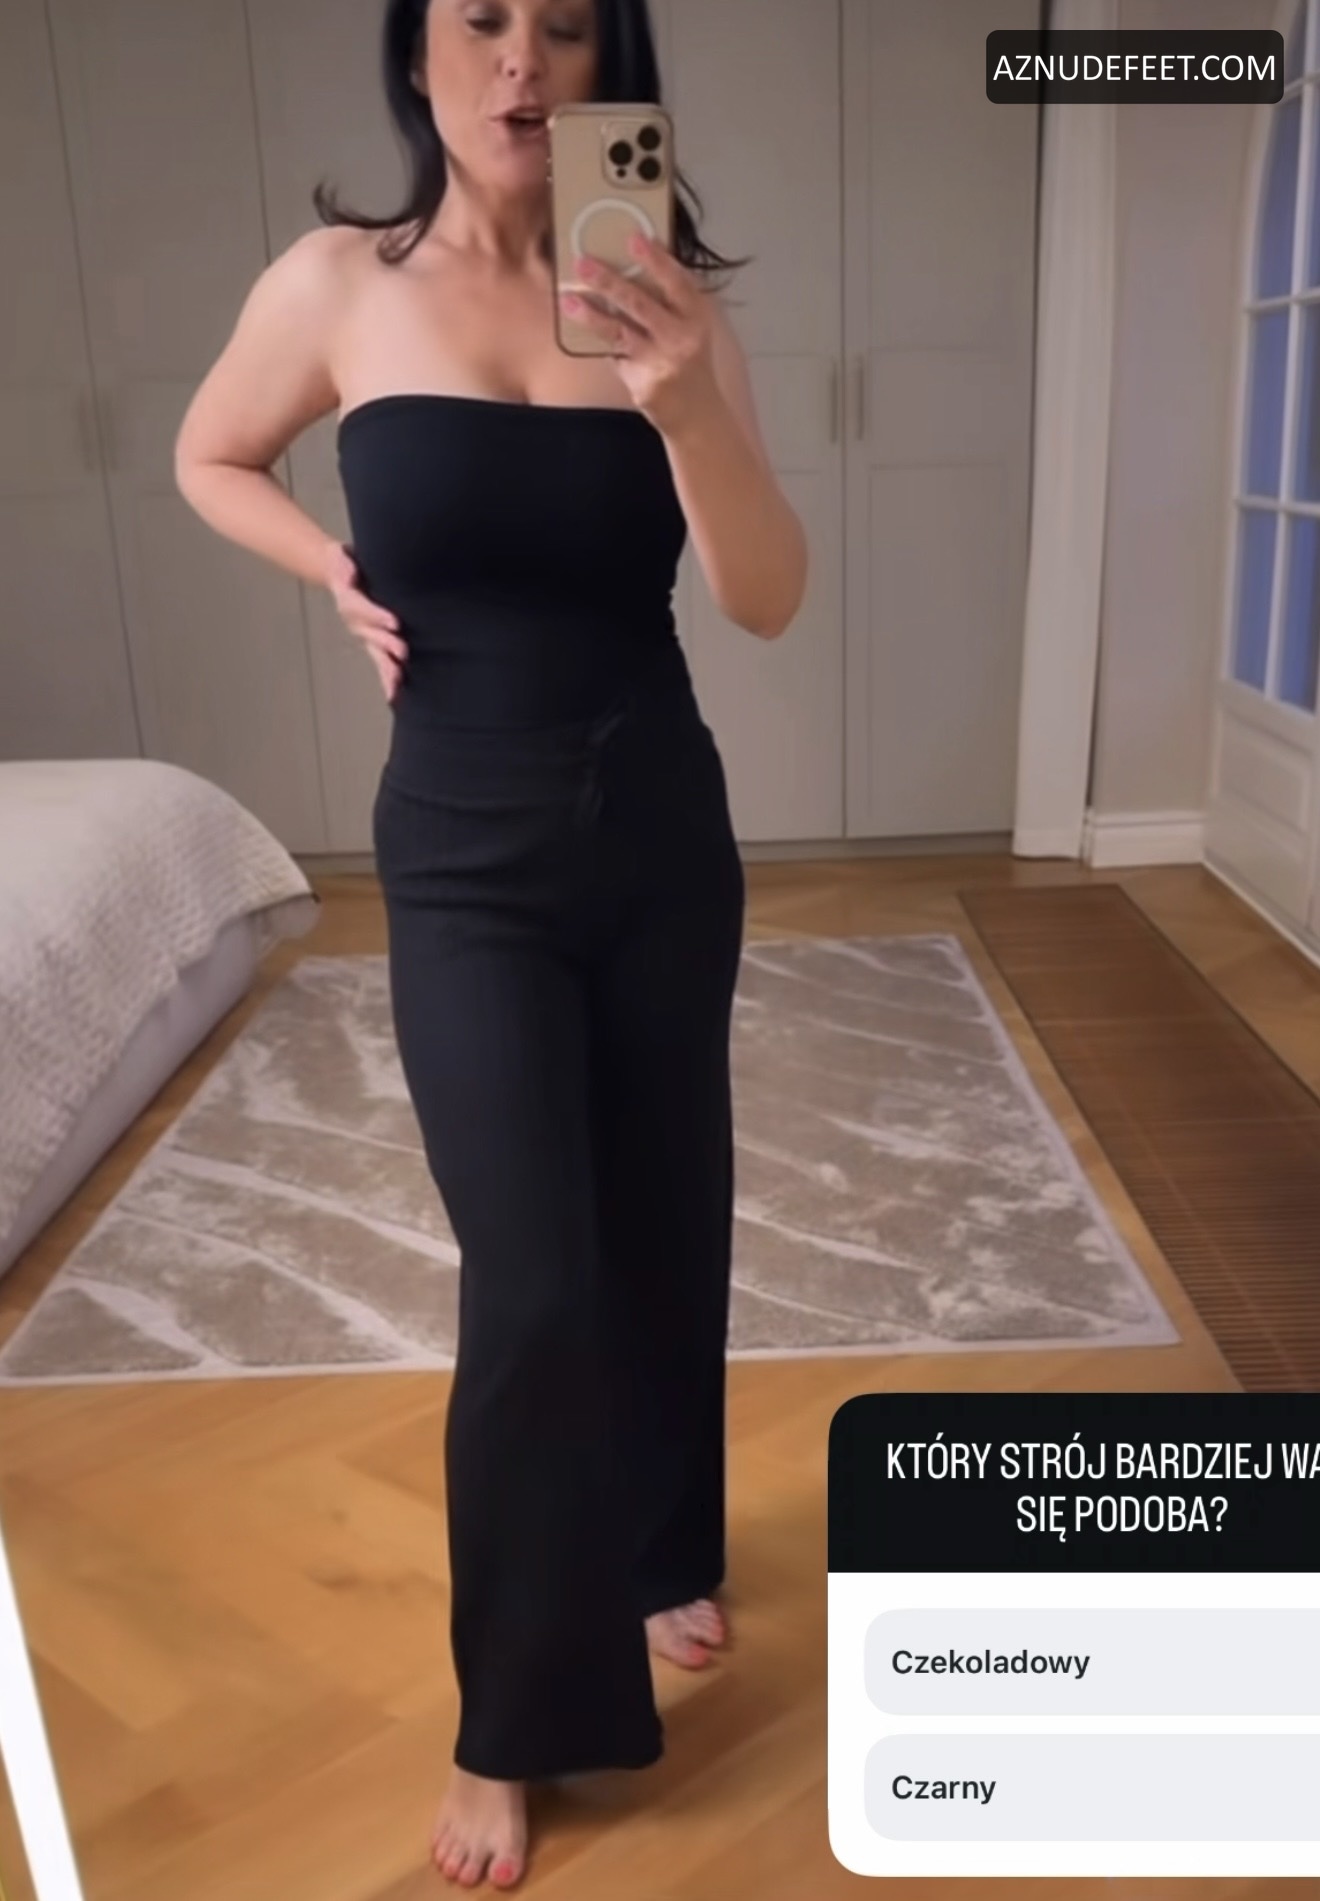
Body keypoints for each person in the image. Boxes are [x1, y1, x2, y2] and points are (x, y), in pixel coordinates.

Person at [174, 0, 807, 1888]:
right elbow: (211, 456)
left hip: (660, 830)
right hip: (460, 852)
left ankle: (664, 1544)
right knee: (531, 1275)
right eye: (481, 20)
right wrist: (334, 570)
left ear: (615, 66)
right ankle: (514, 1717)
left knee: (665, 1209)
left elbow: (767, 595)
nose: (522, 61)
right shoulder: (337, 285)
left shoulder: (667, 299)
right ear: (421, 54)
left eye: (565, 27)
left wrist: (685, 399)